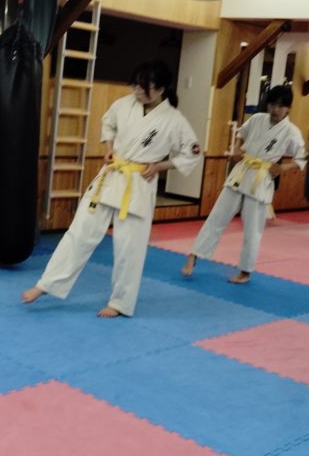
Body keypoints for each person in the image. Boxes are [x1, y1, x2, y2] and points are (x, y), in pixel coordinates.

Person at [22, 60, 202, 317]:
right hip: (111, 177)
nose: (137, 91)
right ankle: (46, 284)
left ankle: (120, 303)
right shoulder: (123, 104)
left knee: (130, 247)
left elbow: (192, 152)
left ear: (161, 89)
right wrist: (108, 148)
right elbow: (108, 123)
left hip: (139, 184)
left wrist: (160, 166)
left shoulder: (174, 120)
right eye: (135, 85)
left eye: (144, 87)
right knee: (79, 232)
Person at [180, 85, 306, 284]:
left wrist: (282, 168)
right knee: (217, 217)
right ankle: (194, 255)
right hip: (241, 173)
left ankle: (245, 272)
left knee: (253, 230)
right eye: (272, 105)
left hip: (261, 179)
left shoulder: (292, 131)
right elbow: (241, 133)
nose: (275, 109)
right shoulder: (257, 119)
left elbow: (301, 159)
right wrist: (237, 149)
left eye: (280, 106)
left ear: (288, 108)